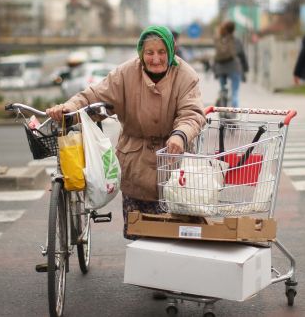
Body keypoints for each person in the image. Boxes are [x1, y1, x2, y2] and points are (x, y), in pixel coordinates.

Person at [47, 25, 206, 238]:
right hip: (135, 164)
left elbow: (192, 113)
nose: (156, 58)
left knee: (174, 237)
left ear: (171, 51)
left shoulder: (186, 75)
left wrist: (180, 135)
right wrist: (69, 107)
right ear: (141, 53)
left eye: (162, 52)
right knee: (138, 234)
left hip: (173, 164)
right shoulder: (125, 74)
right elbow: (93, 96)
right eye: (149, 52)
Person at [213, 20, 248, 107]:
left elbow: (216, 56)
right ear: (233, 30)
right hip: (234, 68)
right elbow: (242, 56)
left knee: (223, 88)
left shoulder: (220, 39)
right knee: (235, 92)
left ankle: (222, 99)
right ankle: (234, 112)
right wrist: (245, 69)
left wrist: (215, 70)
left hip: (221, 68)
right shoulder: (236, 40)